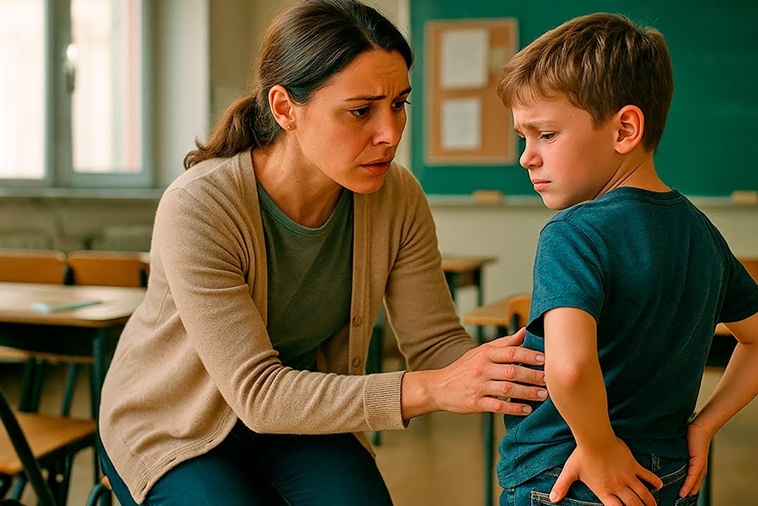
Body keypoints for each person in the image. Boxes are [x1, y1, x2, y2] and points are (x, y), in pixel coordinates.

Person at [97, 1, 548, 504]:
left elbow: (437, 342)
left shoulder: (397, 195)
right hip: (173, 425)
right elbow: (257, 394)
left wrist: (530, 369)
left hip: (297, 414)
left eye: (399, 103)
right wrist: (432, 389)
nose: (390, 133)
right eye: (361, 111)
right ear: (286, 109)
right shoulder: (199, 206)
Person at [493, 12, 758, 506]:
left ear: (625, 129)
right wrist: (704, 426)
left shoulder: (572, 234)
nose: (526, 156)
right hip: (667, 474)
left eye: (545, 134)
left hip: (569, 476)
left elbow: (568, 369)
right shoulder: (699, 231)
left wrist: (599, 447)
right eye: (523, 138)